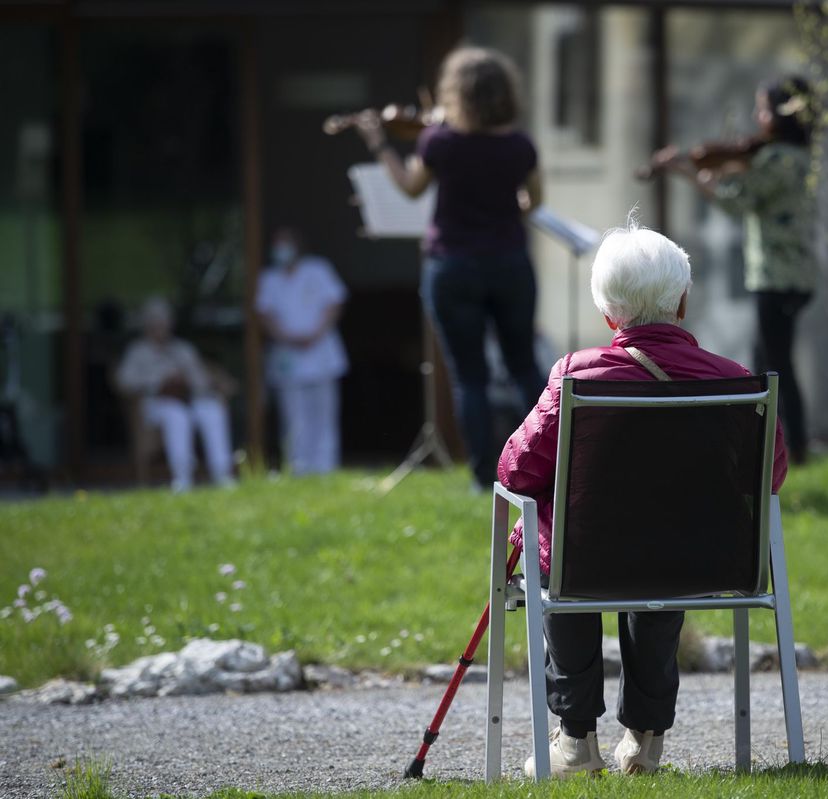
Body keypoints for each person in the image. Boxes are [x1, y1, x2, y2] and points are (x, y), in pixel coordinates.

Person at [496, 222, 788, 778]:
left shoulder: (576, 378)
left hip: (584, 561)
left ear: (608, 313)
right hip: (700, 561)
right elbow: (769, 473)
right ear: (681, 303)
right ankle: (645, 743)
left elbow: (516, 468)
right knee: (664, 554)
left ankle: (575, 741)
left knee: (561, 559)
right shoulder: (737, 382)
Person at [355, 46, 545, 490]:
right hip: (509, 264)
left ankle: (484, 479)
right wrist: (501, 209)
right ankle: (546, 466)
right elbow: (534, 202)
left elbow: (409, 187)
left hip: (453, 266)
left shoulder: (439, 142)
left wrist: (380, 143)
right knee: (524, 368)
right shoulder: (520, 146)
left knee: (470, 377)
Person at [658, 75, 818, 463]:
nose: (755, 116)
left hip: (779, 276)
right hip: (788, 274)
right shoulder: (790, 156)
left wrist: (690, 173)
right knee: (768, 360)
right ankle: (772, 447)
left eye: (762, 108)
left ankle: (794, 450)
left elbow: (736, 202)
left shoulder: (778, 158)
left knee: (775, 366)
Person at [115, 297, 234, 492]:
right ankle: (182, 479)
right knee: (176, 416)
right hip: (154, 404)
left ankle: (222, 474)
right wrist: (157, 382)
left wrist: (186, 381)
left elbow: (201, 381)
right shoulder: (138, 352)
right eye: (155, 323)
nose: (160, 328)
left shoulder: (183, 349)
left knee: (212, 411)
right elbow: (123, 381)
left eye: (164, 323)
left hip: (189, 398)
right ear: (147, 326)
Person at [256, 227, 348, 475]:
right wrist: (287, 337)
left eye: (285, 243)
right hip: (288, 353)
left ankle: (326, 465)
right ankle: (298, 465)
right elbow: (265, 314)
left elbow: (334, 302)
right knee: (293, 413)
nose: (281, 250)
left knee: (323, 411)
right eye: (277, 244)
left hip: (320, 352)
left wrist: (315, 334)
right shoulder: (269, 278)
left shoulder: (317, 269)